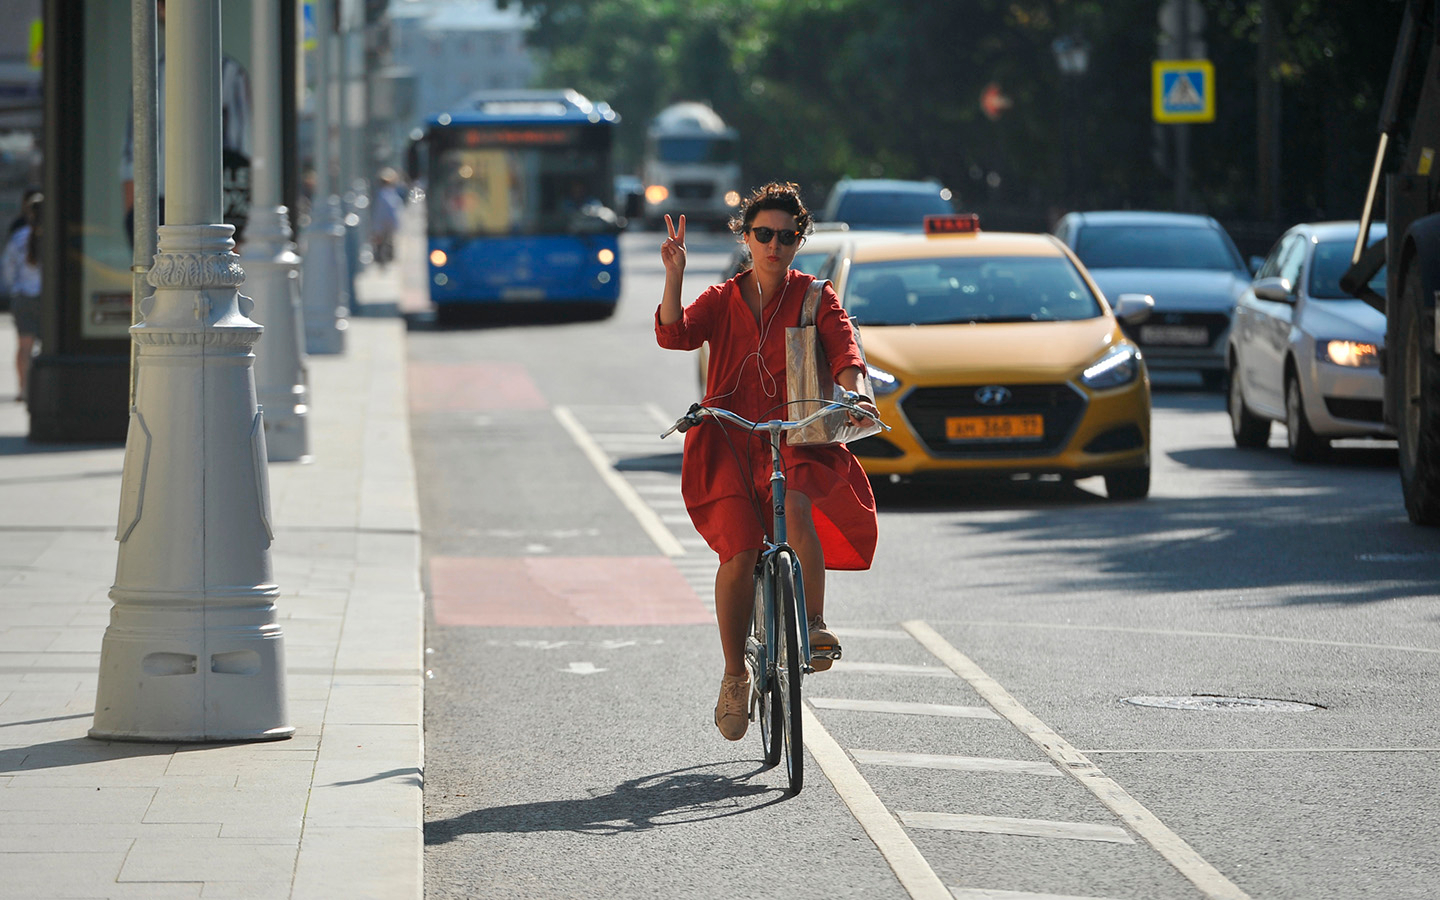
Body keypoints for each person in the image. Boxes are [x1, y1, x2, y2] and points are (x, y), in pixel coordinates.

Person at [655, 182, 879, 741]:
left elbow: (845, 352)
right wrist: (674, 273)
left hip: (794, 432)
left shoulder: (815, 296)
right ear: (746, 237)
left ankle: (814, 624)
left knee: (795, 510)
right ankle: (735, 677)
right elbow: (675, 335)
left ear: (799, 240)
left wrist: (856, 393)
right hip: (729, 437)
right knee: (738, 553)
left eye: (785, 235)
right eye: (763, 234)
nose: (773, 245)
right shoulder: (723, 297)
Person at [3, 194, 42, 402]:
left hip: (23, 297)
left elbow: (8, 268)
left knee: (24, 346)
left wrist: (14, 288)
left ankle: (23, 389)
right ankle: (43, 389)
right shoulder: (51, 237)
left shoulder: (18, 237)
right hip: (46, 298)